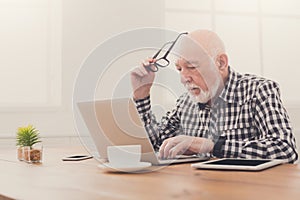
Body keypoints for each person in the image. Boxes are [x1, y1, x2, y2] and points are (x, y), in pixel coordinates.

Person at [130, 29, 298, 163]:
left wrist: (210, 146)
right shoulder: (185, 102)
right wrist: (142, 95)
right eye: (179, 69)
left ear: (221, 63)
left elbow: (285, 149)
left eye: (192, 66)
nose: (183, 79)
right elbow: (154, 145)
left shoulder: (259, 90)